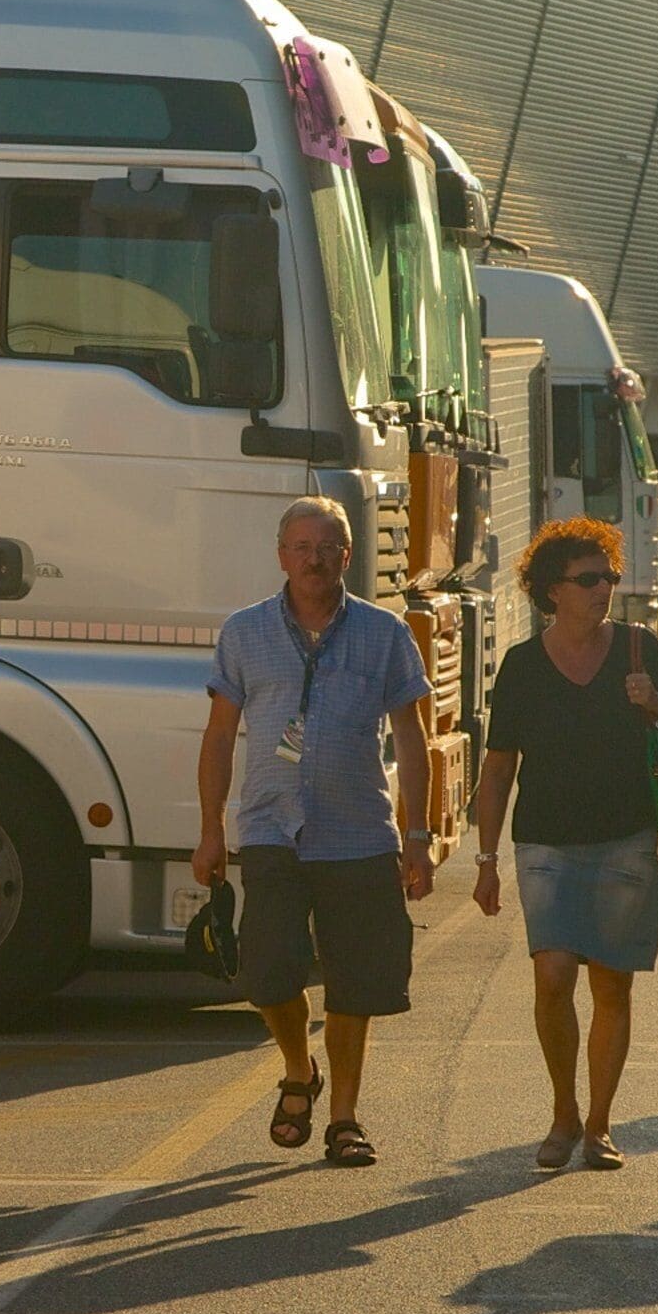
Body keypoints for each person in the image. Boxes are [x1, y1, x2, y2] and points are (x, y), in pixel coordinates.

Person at [195, 497, 437, 1168]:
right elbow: (219, 737)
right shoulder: (245, 632)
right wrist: (210, 830)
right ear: (281, 555)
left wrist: (419, 837)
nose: (313, 559)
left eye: (326, 546)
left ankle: (345, 1119)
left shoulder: (384, 633)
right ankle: (299, 1069)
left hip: (358, 830)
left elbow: (412, 739)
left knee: (355, 982)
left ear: (347, 556)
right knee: (268, 973)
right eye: (300, 546)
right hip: (272, 827)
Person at [471, 519, 658, 1173]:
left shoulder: (640, 649)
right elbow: (497, 770)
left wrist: (656, 701)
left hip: (625, 838)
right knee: (552, 977)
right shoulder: (522, 665)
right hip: (544, 840)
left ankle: (599, 1125)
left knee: (611, 984)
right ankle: (562, 1112)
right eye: (588, 579)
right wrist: (486, 861)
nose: (604, 588)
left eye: (608, 575)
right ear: (553, 592)